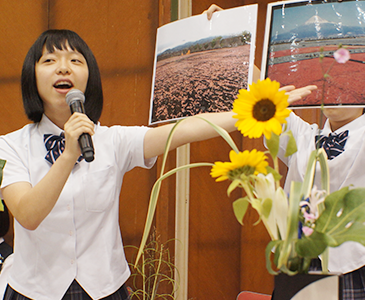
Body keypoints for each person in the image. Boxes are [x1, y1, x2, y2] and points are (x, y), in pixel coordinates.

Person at [0, 29, 315, 300]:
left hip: (105, 289)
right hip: (33, 291)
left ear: (89, 77)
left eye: (75, 60)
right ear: (32, 76)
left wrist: (263, 108)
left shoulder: (113, 141)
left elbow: (186, 129)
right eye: (49, 61)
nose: (63, 68)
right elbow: (27, 215)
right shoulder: (9, 145)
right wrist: (69, 155)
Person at [205, 3, 365, 300]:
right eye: (328, 82)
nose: (335, 90)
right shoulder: (302, 136)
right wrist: (230, 33)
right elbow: (259, 90)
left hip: (356, 274)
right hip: (297, 269)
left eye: (345, 82)